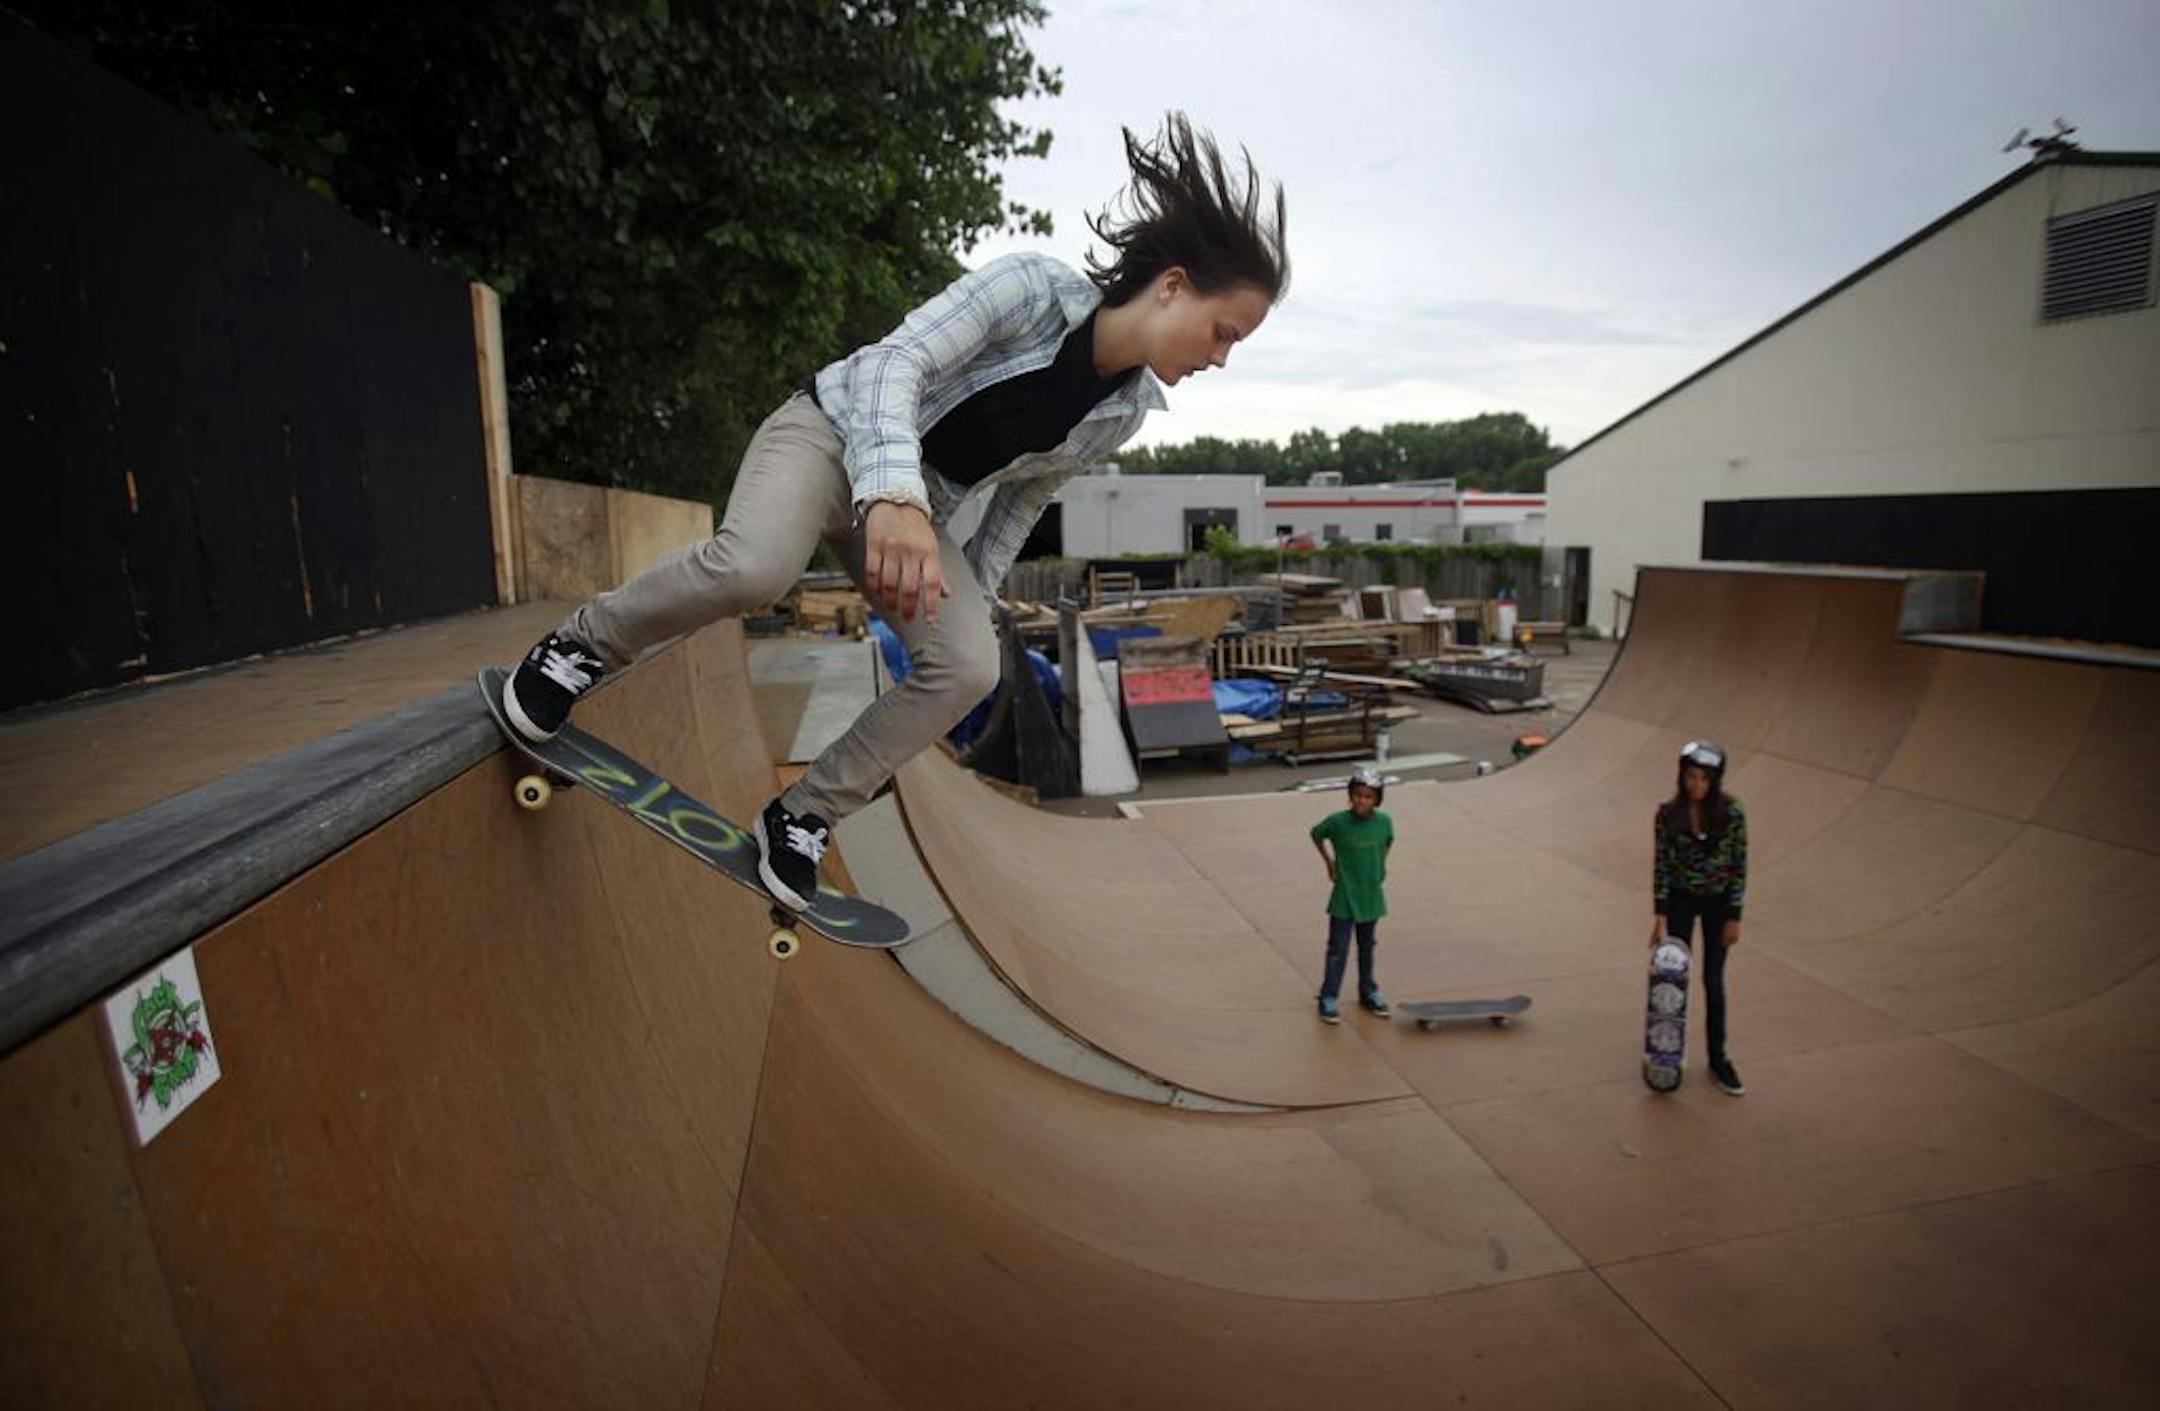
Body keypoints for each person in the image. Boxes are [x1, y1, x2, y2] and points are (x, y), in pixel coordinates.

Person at [500, 113, 1288, 910]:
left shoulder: (1121, 412)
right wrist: (893, 494)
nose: (1219, 358)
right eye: (1223, 334)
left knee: (970, 664)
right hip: (830, 436)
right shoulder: (1030, 290)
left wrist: (965, 605)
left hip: (915, 511)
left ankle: (804, 813)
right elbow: (892, 363)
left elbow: (1023, 497)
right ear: (1175, 285)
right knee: (755, 567)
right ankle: (579, 647)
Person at [1652, 740, 1748, 1095]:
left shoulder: (1732, 813)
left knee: (1713, 979)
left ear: (1715, 781)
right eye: (1691, 777)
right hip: (1679, 901)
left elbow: (1740, 867)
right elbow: (1661, 866)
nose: (1697, 786)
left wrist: (1734, 916)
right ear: (1682, 776)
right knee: (1673, 980)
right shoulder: (1667, 814)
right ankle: (1666, 1052)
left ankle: (1718, 1059)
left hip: (1718, 905)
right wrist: (1660, 915)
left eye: (1705, 779)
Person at [1308, 767, 1393, 1024]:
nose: (1362, 801)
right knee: (1338, 949)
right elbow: (1315, 834)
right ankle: (1329, 996)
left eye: (1368, 797)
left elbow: (1388, 840)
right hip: (1345, 895)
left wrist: (1381, 864)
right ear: (1350, 795)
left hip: (1370, 894)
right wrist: (1329, 863)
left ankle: (1368, 991)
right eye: (1358, 795)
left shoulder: (1384, 822)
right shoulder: (1337, 822)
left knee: (1367, 947)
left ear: (1377, 800)